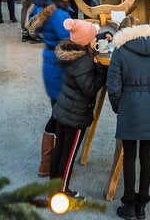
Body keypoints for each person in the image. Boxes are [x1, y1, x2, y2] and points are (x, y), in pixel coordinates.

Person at [107, 22, 150, 220]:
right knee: (146, 155)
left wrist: (120, 107)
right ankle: (142, 205)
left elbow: (113, 87)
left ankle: (128, 204)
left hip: (128, 106)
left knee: (129, 156)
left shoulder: (120, 52)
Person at [50, 18, 106, 197]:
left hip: (63, 109)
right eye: (94, 37)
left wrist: (101, 37)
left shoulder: (71, 53)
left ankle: (53, 186)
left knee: (59, 148)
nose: (95, 38)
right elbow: (90, 88)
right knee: (69, 154)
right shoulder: (85, 62)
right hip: (76, 115)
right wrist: (100, 71)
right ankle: (62, 191)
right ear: (87, 41)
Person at [27, 0, 76, 177]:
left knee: (56, 112)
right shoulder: (58, 15)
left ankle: (49, 162)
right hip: (59, 66)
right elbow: (71, 39)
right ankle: (49, 163)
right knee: (59, 116)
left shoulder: (44, 8)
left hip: (51, 63)